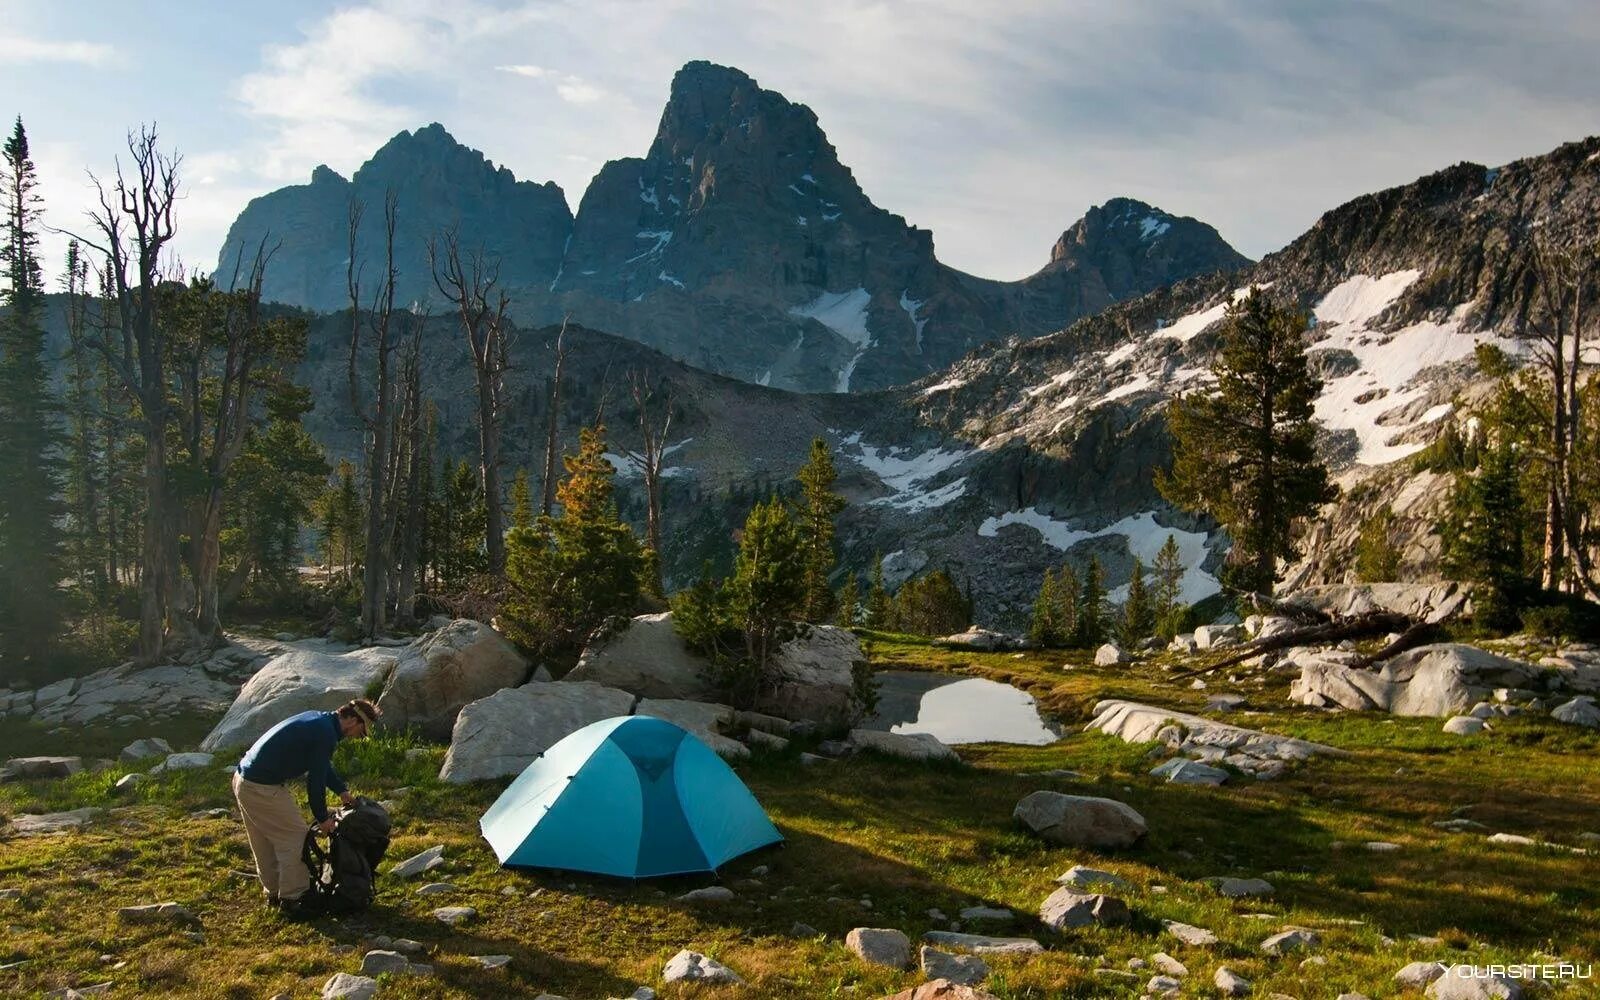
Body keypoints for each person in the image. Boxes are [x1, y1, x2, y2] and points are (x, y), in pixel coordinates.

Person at [232, 698, 380, 914]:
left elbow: (320, 765)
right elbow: (316, 780)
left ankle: (274, 892)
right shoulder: (325, 734)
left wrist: (341, 790)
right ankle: (294, 898)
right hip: (262, 787)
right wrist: (322, 818)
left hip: (243, 779)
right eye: (361, 729)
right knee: (296, 838)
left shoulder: (319, 720)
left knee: (263, 839)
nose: (358, 736)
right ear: (350, 720)